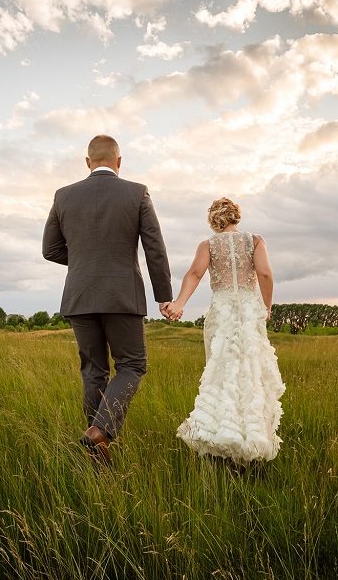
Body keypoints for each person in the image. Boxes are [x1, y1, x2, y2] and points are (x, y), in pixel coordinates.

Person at [42, 134, 176, 468]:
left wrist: (86, 261)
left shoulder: (63, 196)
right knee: (132, 365)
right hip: (123, 295)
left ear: (88, 162)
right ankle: (100, 432)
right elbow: (154, 247)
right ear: (119, 161)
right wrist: (164, 296)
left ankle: (96, 449)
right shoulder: (137, 192)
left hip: (80, 294)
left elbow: (50, 250)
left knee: (93, 370)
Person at [164, 197, 285, 469]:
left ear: (214, 219)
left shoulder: (208, 245)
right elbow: (264, 274)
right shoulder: (254, 240)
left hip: (222, 312)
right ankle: (251, 443)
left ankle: (221, 441)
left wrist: (179, 304)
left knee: (221, 373)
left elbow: (194, 274)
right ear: (236, 217)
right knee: (249, 374)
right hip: (248, 312)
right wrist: (266, 306)